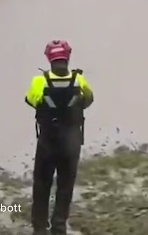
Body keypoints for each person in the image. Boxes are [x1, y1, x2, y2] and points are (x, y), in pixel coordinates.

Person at [25, 39, 94, 235]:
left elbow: (30, 100)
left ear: (49, 59)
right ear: (67, 58)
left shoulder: (39, 81)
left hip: (48, 141)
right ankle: (59, 224)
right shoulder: (79, 80)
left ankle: (39, 226)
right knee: (65, 185)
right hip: (71, 142)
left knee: (41, 183)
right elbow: (88, 99)